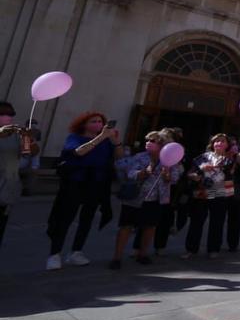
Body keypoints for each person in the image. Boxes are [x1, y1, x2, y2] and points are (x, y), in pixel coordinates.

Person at [46, 111, 119, 269]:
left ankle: (76, 251)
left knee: (87, 219)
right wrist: (100, 138)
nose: (98, 124)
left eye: (100, 121)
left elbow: (118, 156)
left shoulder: (106, 141)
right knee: (65, 218)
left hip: (96, 183)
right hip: (75, 182)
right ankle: (55, 254)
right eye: (94, 121)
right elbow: (79, 152)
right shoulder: (74, 138)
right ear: (84, 124)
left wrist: (114, 140)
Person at [110, 130, 181, 268]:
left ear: (162, 145)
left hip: (155, 199)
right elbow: (130, 173)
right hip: (135, 198)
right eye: (147, 140)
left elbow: (174, 179)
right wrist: (143, 172)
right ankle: (117, 257)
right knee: (126, 226)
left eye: (152, 141)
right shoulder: (140, 157)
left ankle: (143, 254)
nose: (148, 143)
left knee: (150, 227)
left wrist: (167, 175)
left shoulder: (170, 160)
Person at [185, 133, 237, 259]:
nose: (219, 143)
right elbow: (190, 173)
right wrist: (195, 176)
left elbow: (231, 168)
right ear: (212, 144)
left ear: (227, 145)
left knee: (217, 221)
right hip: (203, 190)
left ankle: (213, 249)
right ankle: (191, 249)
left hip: (220, 191)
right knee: (196, 220)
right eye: (217, 141)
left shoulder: (230, 159)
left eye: (223, 141)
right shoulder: (203, 157)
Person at [0, 102, 35, 248]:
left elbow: (26, 156)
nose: (8, 118)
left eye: (10, 114)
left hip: (6, 188)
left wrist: (28, 142)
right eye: (3, 114)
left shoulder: (17, 134)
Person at [16, 115, 41, 198]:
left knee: (34, 172)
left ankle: (26, 190)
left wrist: (34, 168)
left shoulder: (34, 146)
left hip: (23, 167)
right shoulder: (18, 138)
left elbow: (35, 161)